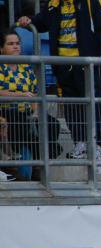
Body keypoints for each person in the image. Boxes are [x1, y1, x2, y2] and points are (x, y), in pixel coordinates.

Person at [17, 0, 101, 160]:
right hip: (63, 65)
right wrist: (29, 21)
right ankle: (80, 142)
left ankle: (97, 145)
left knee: (92, 103)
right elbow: (42, 22)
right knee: (71, 105)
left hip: (85, 63)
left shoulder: (90, 3)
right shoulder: (54, 3)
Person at [0, 29, 62, 172]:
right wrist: (20, 95)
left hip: (27, 110)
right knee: (20, 122)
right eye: (10, 44)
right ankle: (18, 163)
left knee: (52, 123)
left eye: (17, 43)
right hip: (6, 110)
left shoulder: (26, 67)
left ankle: (40, 163)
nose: (16, 46)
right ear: (1, 48)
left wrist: (35, 113)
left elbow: (34, 93)